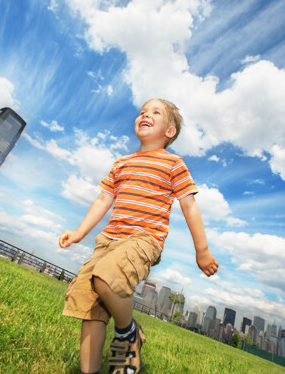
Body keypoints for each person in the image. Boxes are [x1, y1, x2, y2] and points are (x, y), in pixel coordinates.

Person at [59, 98, 219, 374]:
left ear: (169, 132)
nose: (145, 114)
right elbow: (103, 199)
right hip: (107, 241)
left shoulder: (173, 163)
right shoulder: (122, 163)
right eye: (143, 111)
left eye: (155, 112)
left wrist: (201, 250)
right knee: (89, 304)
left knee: (106, 277)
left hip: (144, 240)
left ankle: (127, 331)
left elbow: (189, 204)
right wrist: (79, 232)